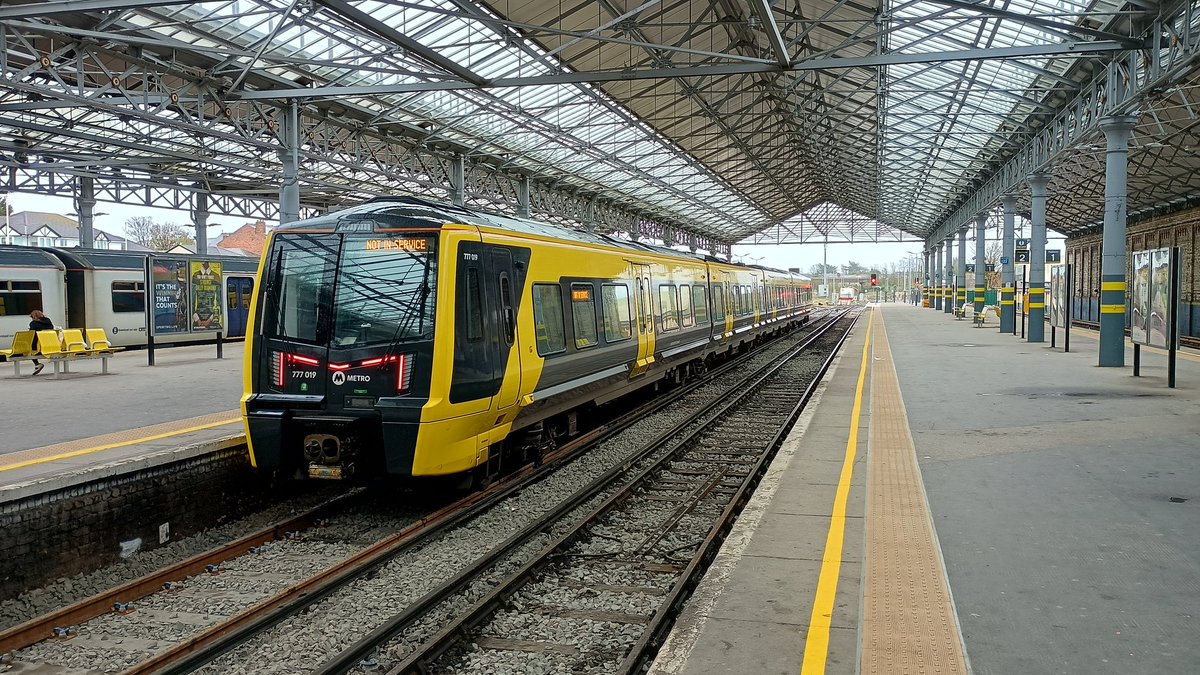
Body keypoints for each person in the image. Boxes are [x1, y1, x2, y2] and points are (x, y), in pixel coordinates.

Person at [28, 309, 54, 375]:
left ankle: (37, 364)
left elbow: (32, 333)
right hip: (51, 344)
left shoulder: (33, 324)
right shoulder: (48, 321)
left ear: (33, 317)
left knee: (29, 347)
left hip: (39, 347)